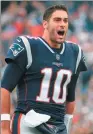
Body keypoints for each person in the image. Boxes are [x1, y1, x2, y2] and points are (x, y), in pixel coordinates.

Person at [1, 4, 87, 134]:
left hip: (57, 125)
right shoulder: (28, 46)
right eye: (57, 20)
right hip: (28, 122)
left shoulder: (75, 52)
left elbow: (71, 97)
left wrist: (67, 126)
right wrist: (4, 127)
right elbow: (5, 88)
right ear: (45, 24)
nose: (62, 24)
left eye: (65, 20)